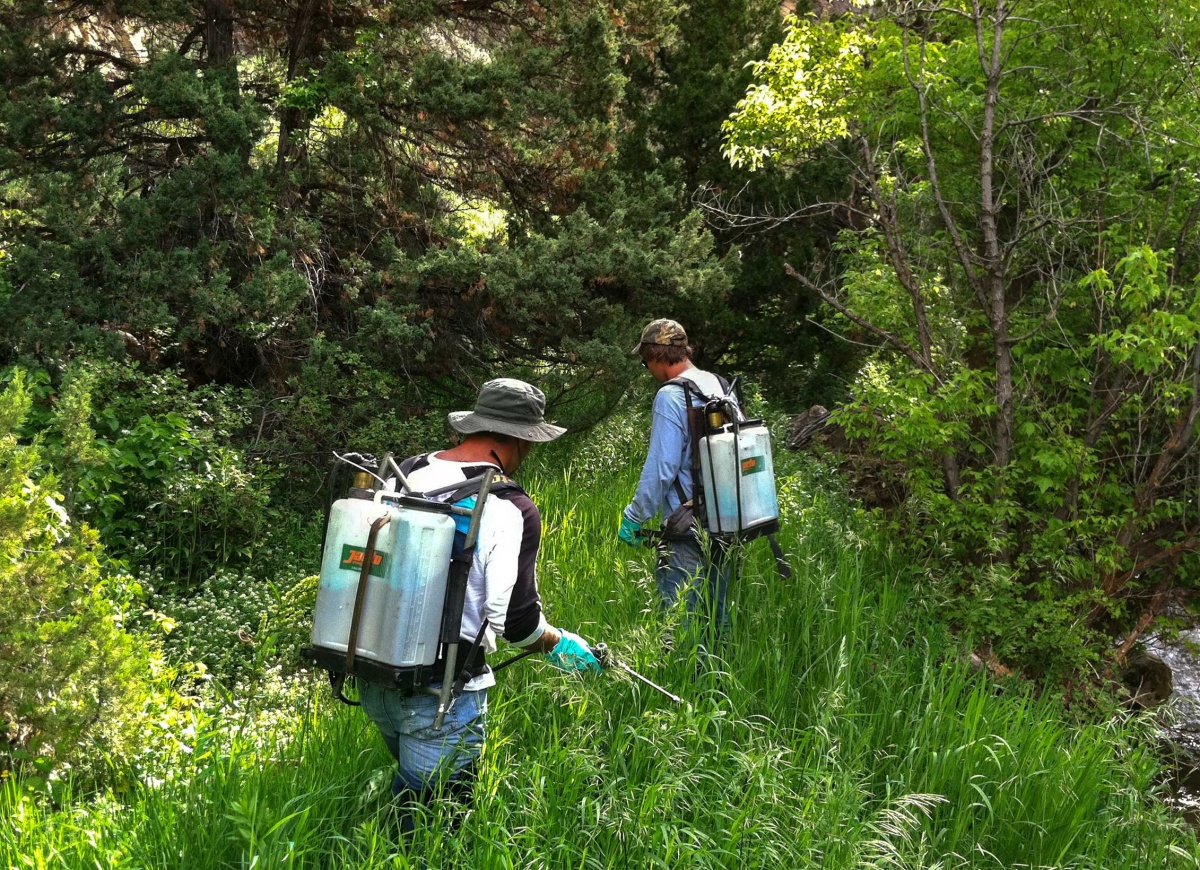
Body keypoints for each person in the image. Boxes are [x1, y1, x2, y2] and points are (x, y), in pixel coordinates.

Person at [357, 377, 600, 833]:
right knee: (434, 836)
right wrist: (561, 644)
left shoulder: (405, 471)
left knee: (412, 807)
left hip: (374, 676)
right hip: (442, 699)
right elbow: (515, 621)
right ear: (519, 439)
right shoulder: (510, 505)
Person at [617, 318, 736, 650]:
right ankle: (715, 685)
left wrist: (635, 516)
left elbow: (661, 468)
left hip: (686, 524)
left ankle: (676, 688)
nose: (648, 368)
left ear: (655, 356)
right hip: (729, 516)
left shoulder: (671, 396)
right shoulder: (721, 386)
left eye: (645, 361)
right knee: (718, 614)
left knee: (676, 616)